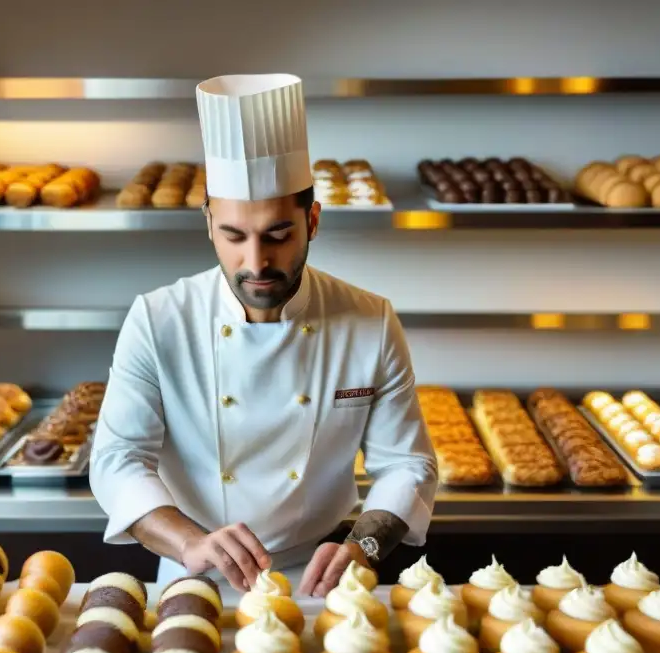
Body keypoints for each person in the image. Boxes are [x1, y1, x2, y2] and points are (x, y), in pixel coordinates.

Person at [91, 73, 437, 596]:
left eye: (279, 235)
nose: (256, 262)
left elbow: (407, 462)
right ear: (209, 223)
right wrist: (188, 542)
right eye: (233, 236)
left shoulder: (369, 320)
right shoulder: (158, 319)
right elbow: (118, 461)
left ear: (313, 221)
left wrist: (362, 546)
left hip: (324, 581)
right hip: (193, 576)